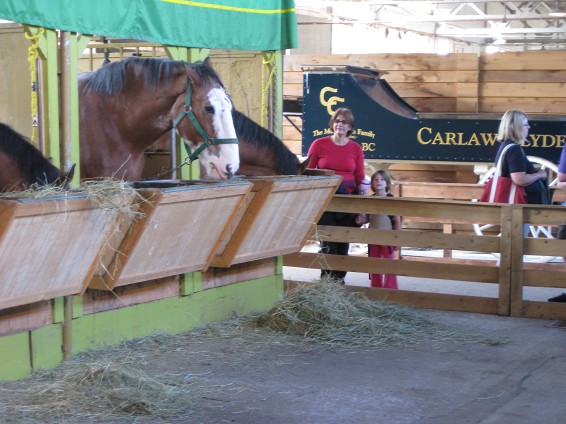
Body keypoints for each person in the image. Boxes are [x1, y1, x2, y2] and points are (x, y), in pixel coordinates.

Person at [307, 107, 366, 284]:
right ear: (333, 124)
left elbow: (360, 178)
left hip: (347, 201)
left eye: (344, 122)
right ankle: (326, 282)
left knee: (343, 242)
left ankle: (339, 282)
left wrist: (362, 207)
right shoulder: (319, 144)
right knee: (327, 242)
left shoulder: (356, 148)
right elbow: (308, 171)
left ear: (350, 127)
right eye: (337, 121)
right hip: (326, 199)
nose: (340, 125)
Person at [494, 109, 547, 205]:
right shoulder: (514, 149)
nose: (529, 127)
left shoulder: (505, 145)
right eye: (526, 125)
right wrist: (539, 174)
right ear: (516, 127)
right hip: (519, 205)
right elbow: (519, 179)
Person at [365, 170, 401, 289]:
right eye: (375, 179)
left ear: (387, 183)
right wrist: (360, 218)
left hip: (388, 239)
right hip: (373, 238)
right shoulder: (369, 200)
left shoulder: (391, 200)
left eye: (382, 179)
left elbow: (397, 221)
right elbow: (366, 218)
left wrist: (397, 239)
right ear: (372, 183)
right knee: (374, 265)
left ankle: (390, 290)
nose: (379, 182)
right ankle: (376, 289)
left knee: (389, 265)